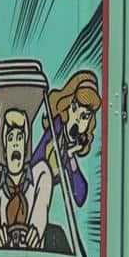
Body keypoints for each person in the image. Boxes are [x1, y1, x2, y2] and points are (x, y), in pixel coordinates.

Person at [0, 108, 53, 249]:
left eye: (19, 138)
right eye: (10, 138)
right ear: (5, 149)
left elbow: (41, 209)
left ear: (25, 147)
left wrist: (35, 232)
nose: (15, 143)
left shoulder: (41, 174)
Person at [33, 70, 99, 209]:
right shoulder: (55, 128)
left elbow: (80, 197)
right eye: (74, 108)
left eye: (84, 117)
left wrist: (71, 157)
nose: (77, 119)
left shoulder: (70, 148)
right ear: (67, 105)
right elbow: (33, 167)